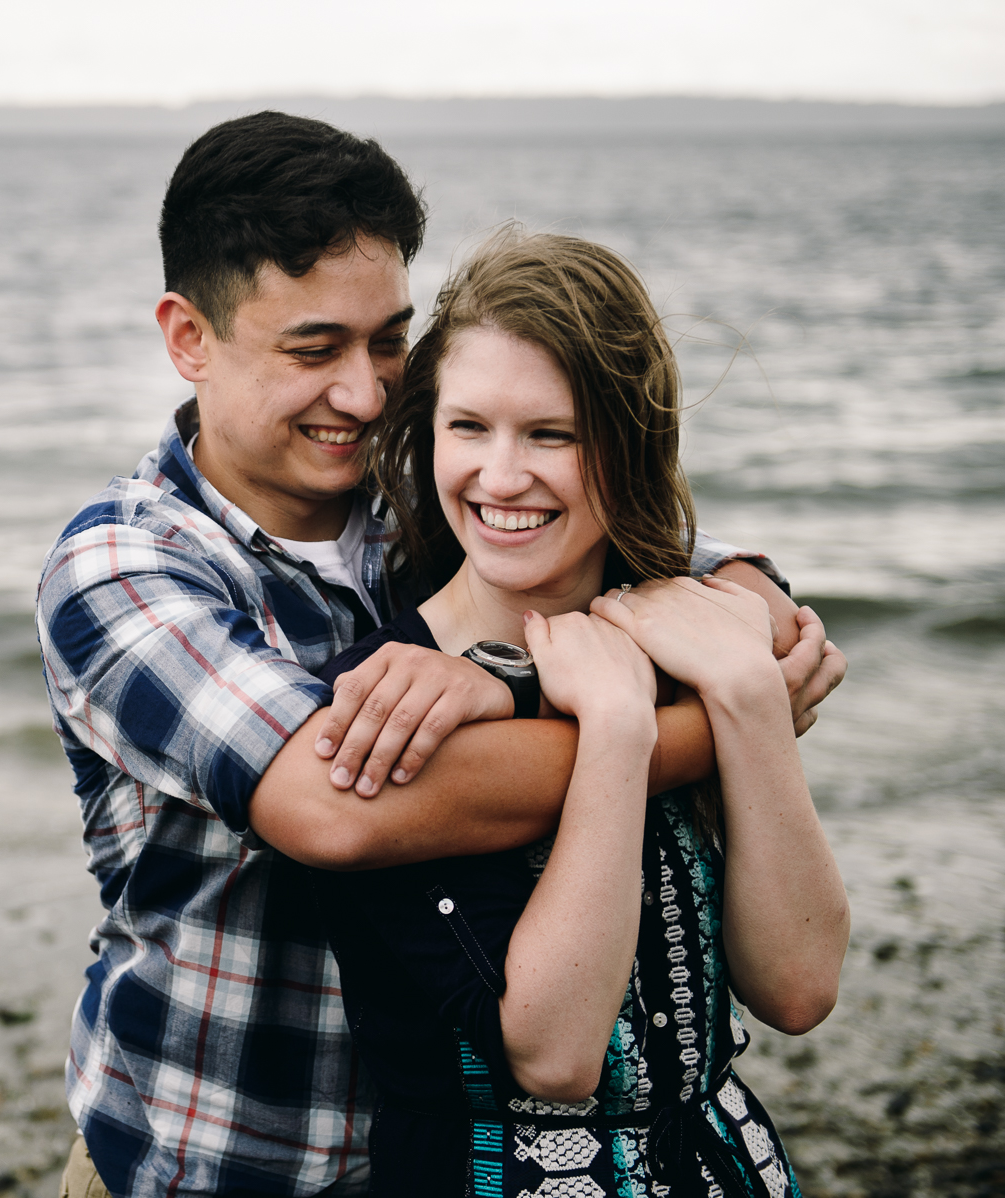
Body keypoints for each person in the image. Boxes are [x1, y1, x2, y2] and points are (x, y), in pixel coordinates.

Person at [36, 112, 845, 1198]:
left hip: (441, 1155)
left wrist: (742, 622)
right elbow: (344, 808)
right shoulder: (123, 562)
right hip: (228, 1157)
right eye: (314, 350)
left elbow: (690, 561)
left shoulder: (421, 495)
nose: (368, 396)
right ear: (189, 337)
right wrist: (692, 716)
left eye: (387, 342)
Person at [309, 228, 849, 1197]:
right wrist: (613, 731)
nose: (501, 477)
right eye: (468, 427)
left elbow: (800, 986)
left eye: (550, 434)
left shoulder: (696, 635)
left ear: (628, 445)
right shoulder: (394, 697)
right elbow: (556, 1057)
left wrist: (744, 695)